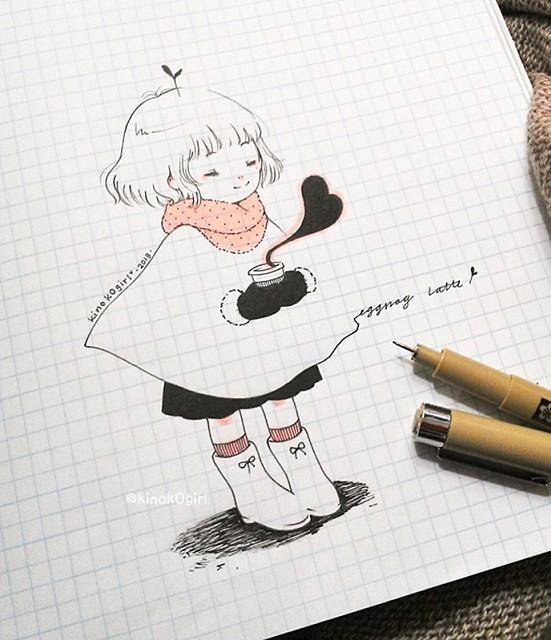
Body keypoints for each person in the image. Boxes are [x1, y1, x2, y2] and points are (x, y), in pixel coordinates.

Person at [86, 83, 358, 531]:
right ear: (172, 180)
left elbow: (278, 252)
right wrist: (238, 306)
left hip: (266, 338)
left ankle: (300, 465)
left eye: (249, 162)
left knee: (282, 394)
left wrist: (293, 284)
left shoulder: (256, 213)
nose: (239, 178)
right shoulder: (185, 233)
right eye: (212, 171)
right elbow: (178, 298)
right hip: (209, 349)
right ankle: (250, 485)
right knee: (223, 409)